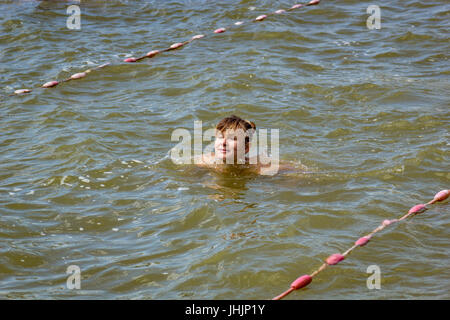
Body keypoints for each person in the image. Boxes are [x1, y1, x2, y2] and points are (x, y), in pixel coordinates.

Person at [195, 115, 296, 175]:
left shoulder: (257, 169)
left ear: (246, 148)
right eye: (220, 137)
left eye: (232, 139)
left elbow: (296, 170)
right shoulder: (203, 161)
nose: (223, 143)